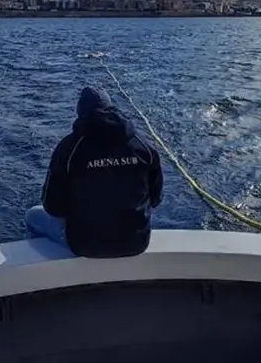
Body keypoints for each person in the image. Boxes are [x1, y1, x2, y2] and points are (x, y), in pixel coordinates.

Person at [26, 86, 164, 258]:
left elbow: (53, 207)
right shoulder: (143, 145)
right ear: (112, 109)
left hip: (85, 246)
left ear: (80, 112)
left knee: (32, 216)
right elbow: (155, 199)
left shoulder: (69, 148)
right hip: (137, 242)